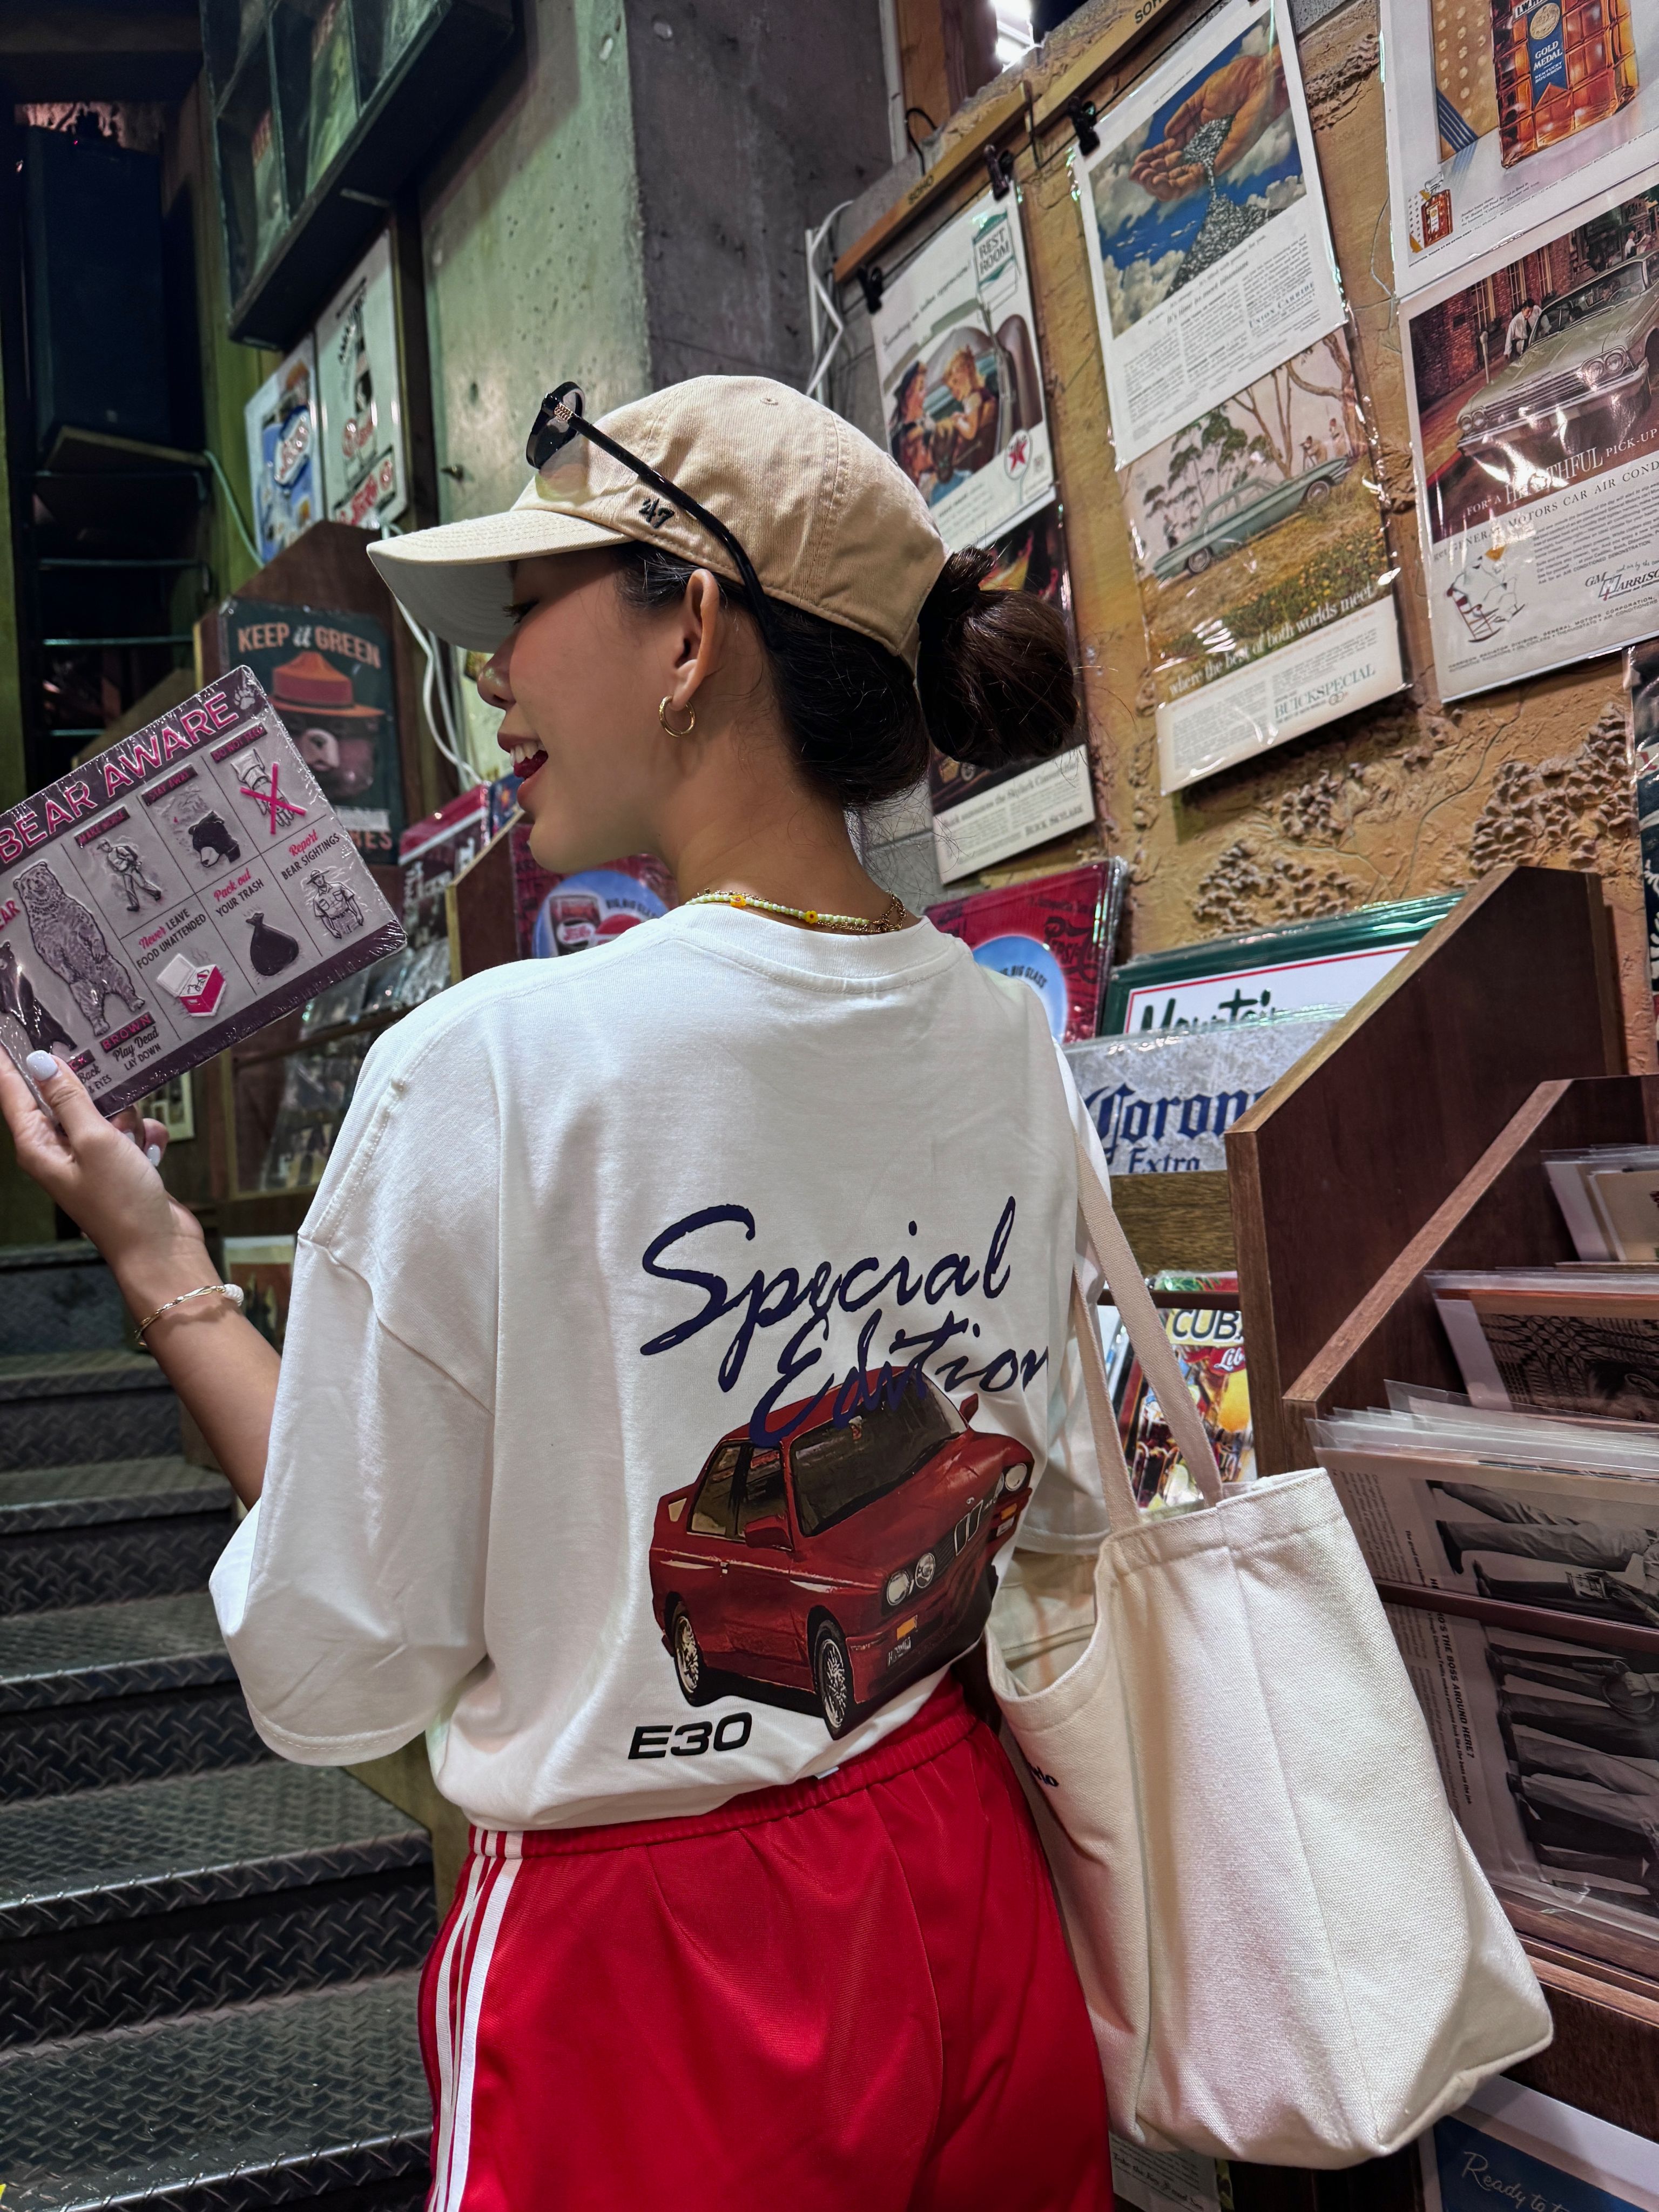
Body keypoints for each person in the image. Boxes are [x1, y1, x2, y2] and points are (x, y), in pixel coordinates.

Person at [0, 376, 1112, 2212]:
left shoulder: (494, 1067)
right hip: (969, 1884)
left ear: (690, 623)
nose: (494, 683)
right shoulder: (1002, 1029)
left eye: (525, 612)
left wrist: (156, 1265)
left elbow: (352, 1641)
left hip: (660, 1976)